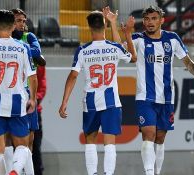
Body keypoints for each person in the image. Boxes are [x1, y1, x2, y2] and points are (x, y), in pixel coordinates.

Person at [119, 6, 194, 175]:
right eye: (146, 19)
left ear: (162, 20)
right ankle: (149, 173)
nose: (150, 22)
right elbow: (123, 53)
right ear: (143, 21)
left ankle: (157, 172)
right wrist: (125, 33)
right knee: (149, 134)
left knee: (160, 138)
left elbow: (188, 62)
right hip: (145, 97)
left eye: (154, 18)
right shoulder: (138, 39)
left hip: (167, 98)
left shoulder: (172, 39)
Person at [58, 10, 136, 175]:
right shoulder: (114, 48)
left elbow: (72, 77)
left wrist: (64, 101)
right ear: (105, 25)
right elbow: (133, 57)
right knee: (109, 142)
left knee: (90, 140)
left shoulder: (82, 50)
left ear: (89, 27)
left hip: (91, 100)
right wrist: (119, 28)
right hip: (111, 101)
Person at [0, 9, 38, 175]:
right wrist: (33, 98)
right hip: (17, 102)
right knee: (23, 146)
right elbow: (33, 78)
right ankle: (16, 170)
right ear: (12, 27)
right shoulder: (23, 48)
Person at [2, 8, 46, 175]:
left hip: (29, 97)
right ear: (10, 23)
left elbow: (38, 53)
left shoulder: (30, 37)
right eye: (18, 21)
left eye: (23, 21)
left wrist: (19, 48)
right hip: (10, 95)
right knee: (7, 140)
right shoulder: (3, 40)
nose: (22, 24)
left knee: (29, 143)